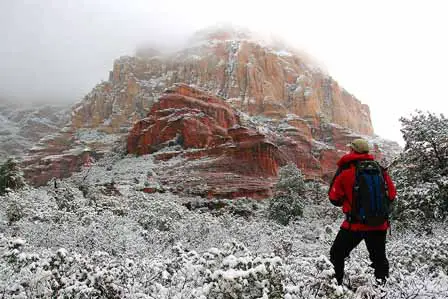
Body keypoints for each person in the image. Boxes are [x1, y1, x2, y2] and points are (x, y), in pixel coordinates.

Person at [328, 138, 397, 285]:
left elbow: (334, 198)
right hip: (379, 224)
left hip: (354, 226)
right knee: (379, 259)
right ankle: (382, 290)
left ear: (352, 150)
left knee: (337, 254)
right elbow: (391, 195)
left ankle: (337, 288)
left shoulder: (346, 172)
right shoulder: (380, 170)